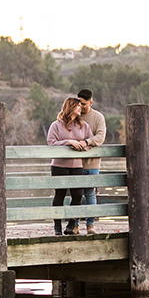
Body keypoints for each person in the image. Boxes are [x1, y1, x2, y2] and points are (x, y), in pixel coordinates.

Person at [47, 97, 93, 235]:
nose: (80, 108)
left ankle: (71, 225)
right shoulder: (56, 125)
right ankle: (57, 226)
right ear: (70, 107)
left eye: (81, 106)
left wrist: (83, 145)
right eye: (78, 106)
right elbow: (51, 142)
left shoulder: (83, 126)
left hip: (77, 165)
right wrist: (69, 142)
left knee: (78, 195)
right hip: (59, 165)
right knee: (59, 195)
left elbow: (89, 143)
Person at [76, 89, 107, 235]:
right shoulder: (74, 115)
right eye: (79, 103)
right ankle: (74, 224)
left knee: (90, 193)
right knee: (76, 194)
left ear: (91, 102)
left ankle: (90, 225)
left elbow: (100, 137)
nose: (80, 107)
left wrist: (86, 142)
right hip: (75, 163)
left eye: (83, 104)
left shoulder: (98, 117)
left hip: (92, 163)